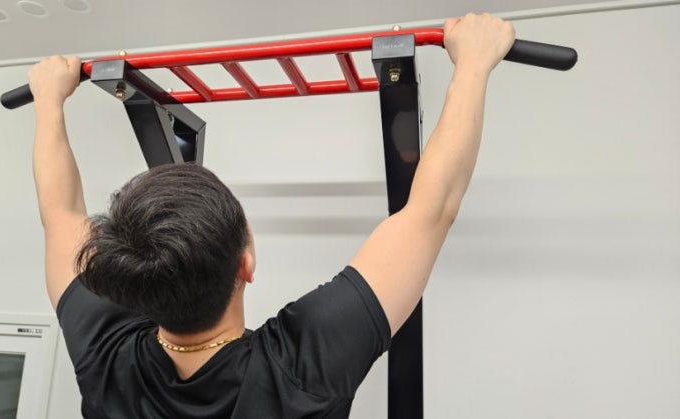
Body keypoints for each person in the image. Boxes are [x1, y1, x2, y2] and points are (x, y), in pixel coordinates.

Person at [28, 13, 515, 419]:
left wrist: (48, 100)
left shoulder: (102, 356)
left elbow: (60, 213)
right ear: (247, 262)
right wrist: (474, 62)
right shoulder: (300, 368)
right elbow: (431, 209)